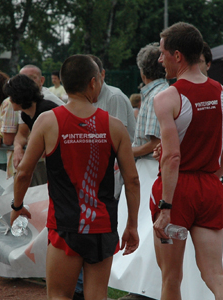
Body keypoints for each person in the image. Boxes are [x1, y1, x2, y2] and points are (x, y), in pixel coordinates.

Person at [11, 54, 140, 300]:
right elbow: (132, 180)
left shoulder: (47, 121)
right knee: (96, 297)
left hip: (65, 226)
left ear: (64, 83)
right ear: (93, 83)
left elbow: (24, 172)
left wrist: (17, 205)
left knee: (59, 295)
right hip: (102, 226)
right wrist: (132, 225)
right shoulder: (114, 125)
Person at [151, 22, 223, 300]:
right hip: (210, 186)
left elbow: (173, 156)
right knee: (215, 275)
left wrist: (165, 206)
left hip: (177, 192)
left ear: (178, 55)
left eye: (162, 53)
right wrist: (210, 178)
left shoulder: (167, 97)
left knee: (171, 278)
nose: (159, 59)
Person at [117, 43, 169, 300]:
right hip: (153, 170)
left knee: (148, 232)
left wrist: (123, 153)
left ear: (142, 70)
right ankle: (145, 287)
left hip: (150, 171)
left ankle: (145, 289)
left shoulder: (155, 95)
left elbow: (153, 143)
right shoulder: (161, 91)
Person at [4, 74, 59, 186]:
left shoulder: (46, 110)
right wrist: (18, 148)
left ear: (18, 96)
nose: (9, 100)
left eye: (11, 97)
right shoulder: (25, 114)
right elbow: (22, 134)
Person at [88, 55, 136, 142]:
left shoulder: (114, 97)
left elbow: (119, 138)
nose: (91, 84)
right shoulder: (88, 97)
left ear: (102, 74)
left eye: (93, 79)